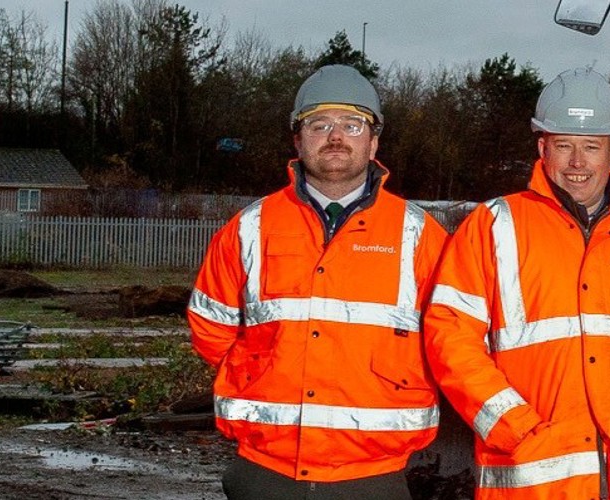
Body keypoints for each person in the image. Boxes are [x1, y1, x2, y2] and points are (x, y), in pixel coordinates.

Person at [423, 68, 610, 499]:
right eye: (564, 146)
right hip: (528, 479)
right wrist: (512, 423)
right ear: (543, 149)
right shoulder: (493, 227)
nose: (578, 162)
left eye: (591, 147)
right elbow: (450, 337)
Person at [187, 65, 449, 500]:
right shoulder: (250, 227)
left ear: (374, 140)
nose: (336, 136)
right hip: (265, 471)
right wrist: (261, 375)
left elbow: (452, 337)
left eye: (352, 124)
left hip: (374, 474)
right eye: (319, 124)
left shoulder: (420, 235)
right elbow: (209, 327)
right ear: (297, 138)